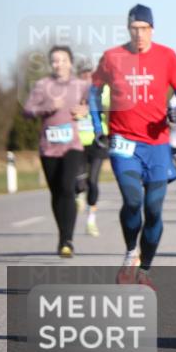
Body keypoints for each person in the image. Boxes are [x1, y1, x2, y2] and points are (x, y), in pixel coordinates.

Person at [90, 4, 176, 286]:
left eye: (144, 29)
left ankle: (145, 269)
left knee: (154, 209)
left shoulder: (166, 56)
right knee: (133, 201)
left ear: (152, 29)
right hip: (123, 141)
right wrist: (98, 127)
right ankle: (129, 254)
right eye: (134, 29)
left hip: (157, 145)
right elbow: (94, 92)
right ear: (128, 29)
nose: (139, 34)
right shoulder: (112, 57)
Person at [24, 45, 91, 257]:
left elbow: (95, 104)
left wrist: (85, 110)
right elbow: (27, 111)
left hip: (72, 145)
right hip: (48, 147)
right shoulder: (43, 85)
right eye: (54, 60)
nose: (58, 64)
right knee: (56, 192)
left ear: (70, 63)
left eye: (63, 60)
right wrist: (48, 107)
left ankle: (67, 240)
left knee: (67, 188)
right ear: (50, 64)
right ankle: (63, 235)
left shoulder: (81, 85)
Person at [74, 62, 109, 237]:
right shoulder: (71, 92)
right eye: (84, 75)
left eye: (90, 75)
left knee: (93, 181)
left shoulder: (102, 90)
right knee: (79, 182)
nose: (87, 78)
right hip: (77, 142)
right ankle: (79, 194)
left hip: (98, 141)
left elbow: (111, 103)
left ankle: (91, 220)